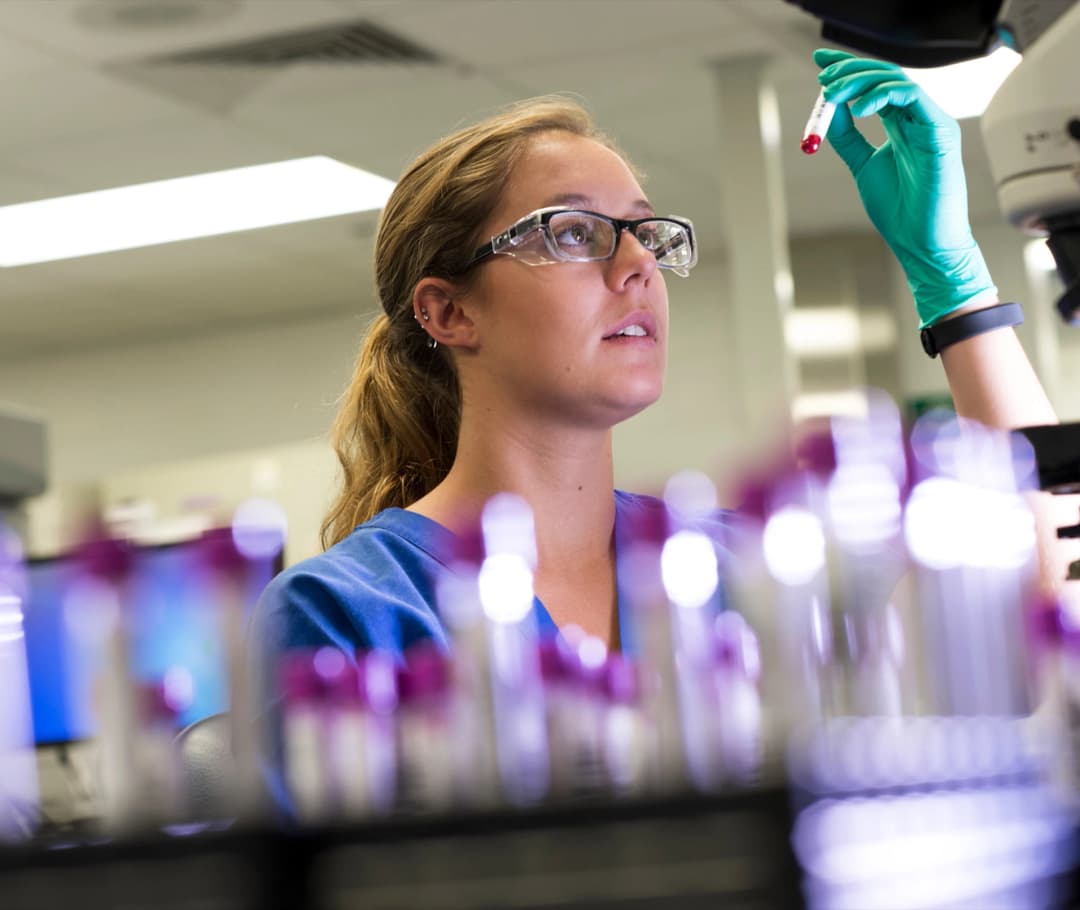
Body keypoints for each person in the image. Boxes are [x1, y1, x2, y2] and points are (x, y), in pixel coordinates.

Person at [253, 49, 1067, 675]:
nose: (636, 264)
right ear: (448, 311)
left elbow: (1046, 620)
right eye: (573, 233)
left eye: (647, 231)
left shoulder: (737, 567)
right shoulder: (352, 611)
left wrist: (953, 287)